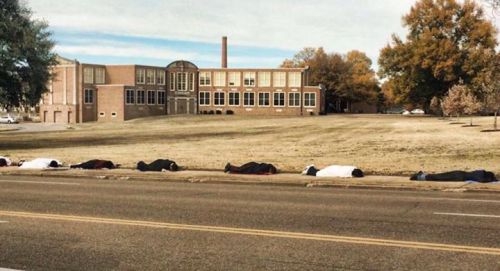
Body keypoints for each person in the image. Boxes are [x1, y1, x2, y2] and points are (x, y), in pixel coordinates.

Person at [410, 170, 498, 183]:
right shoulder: (481, 178)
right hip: (460, 177)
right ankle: (420, 176)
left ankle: (421, 175)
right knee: (439, 178)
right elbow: (484, 180)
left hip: (460, 173)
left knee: (439, 176)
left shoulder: (480, 172)